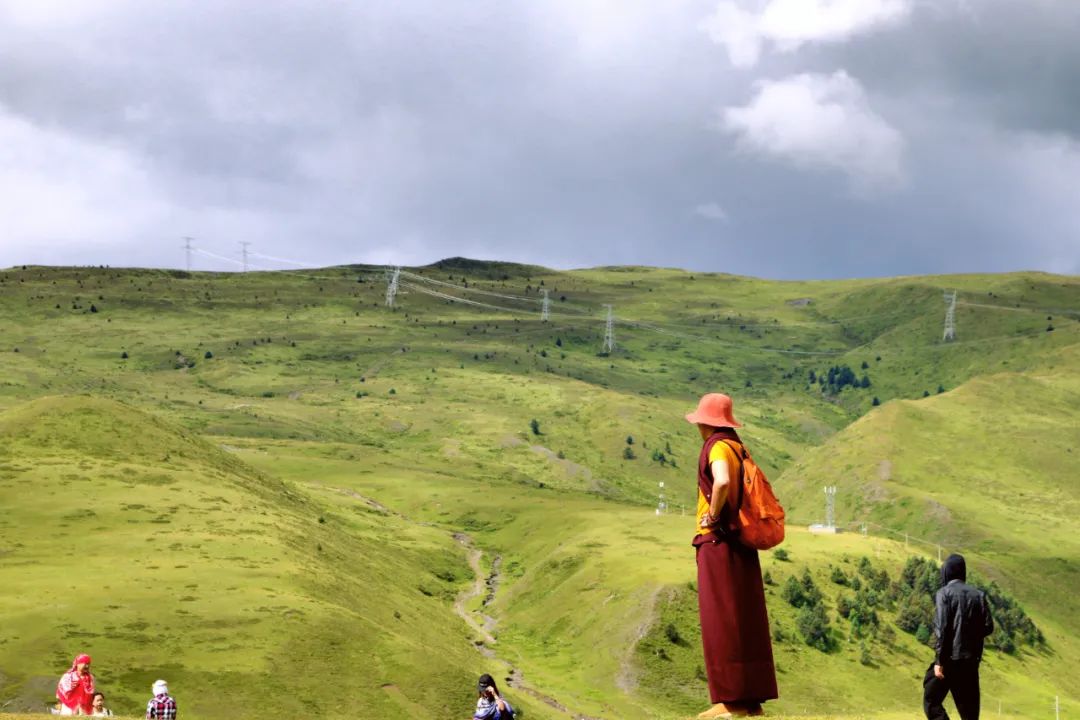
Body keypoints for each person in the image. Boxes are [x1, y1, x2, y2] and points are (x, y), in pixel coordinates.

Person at [686, 393, 778, 719]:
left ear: (706, 421)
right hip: (742, 542)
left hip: (718, 542)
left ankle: (730, 700)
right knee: (748, 620)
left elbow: (721, 480)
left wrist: (711, 515)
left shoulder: (717, 447)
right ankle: (751, 699)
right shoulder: (739, 447)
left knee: (720, 621)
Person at [923, 553, 994, 720]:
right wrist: (969, 635)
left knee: (931, 699)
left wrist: (939, 662)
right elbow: (988, 627)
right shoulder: (979, 595)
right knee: (970, 715)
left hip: (948, 661)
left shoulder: (944, 593)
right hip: (970, 663)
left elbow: (942, 628)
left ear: (947, 571)